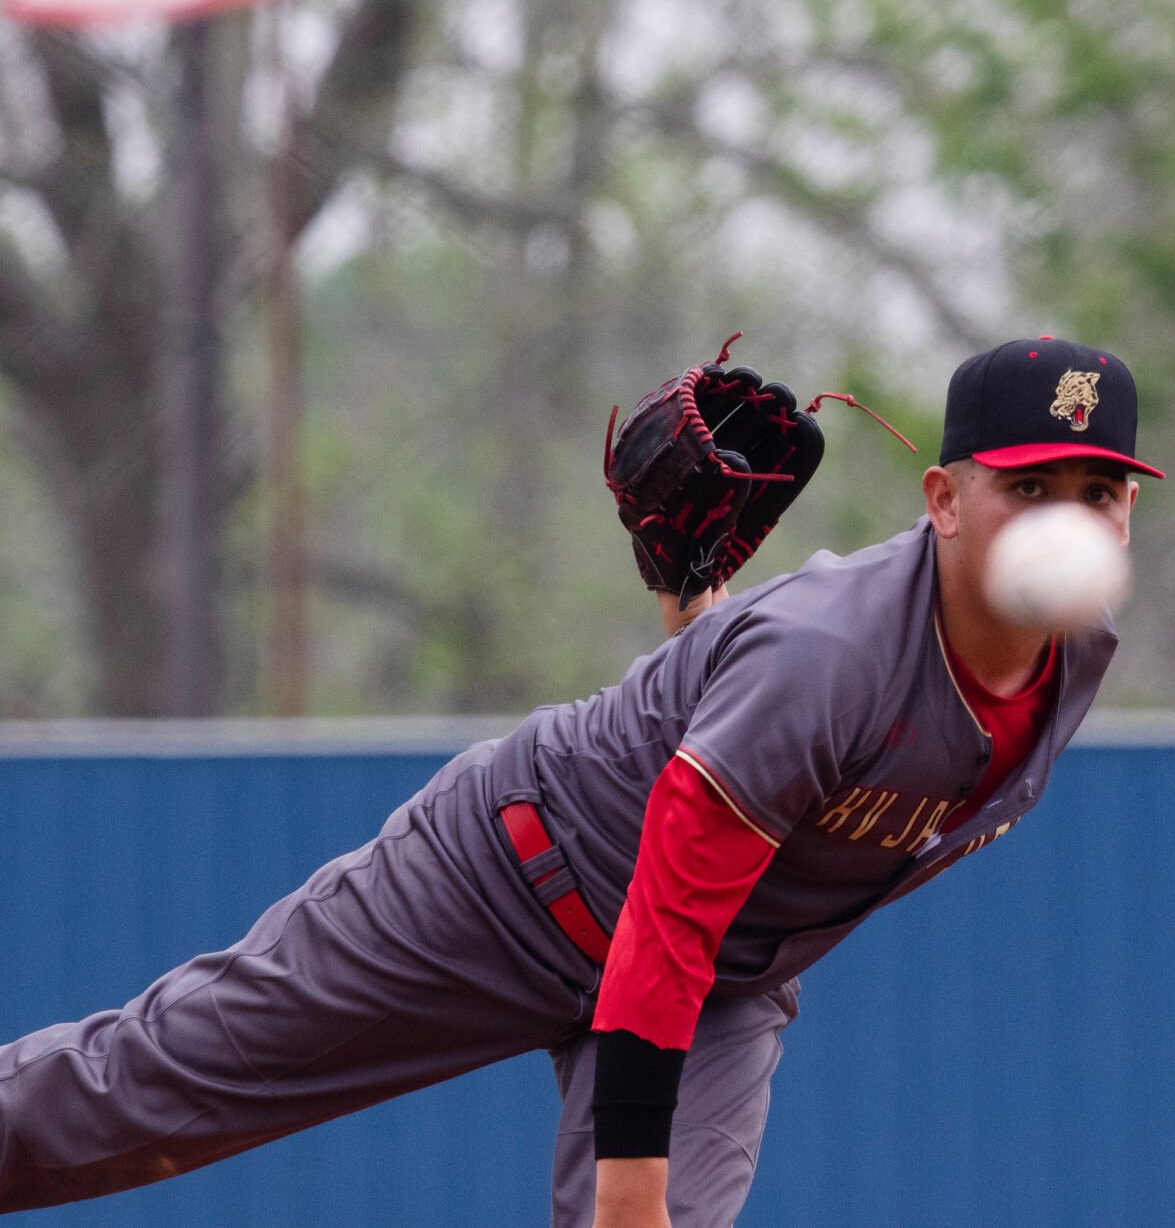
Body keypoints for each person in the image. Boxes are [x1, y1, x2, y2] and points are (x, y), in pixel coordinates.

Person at [0, 336, 1161, 1226]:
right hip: (498, 887)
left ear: (1131, 513)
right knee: (136, 1096)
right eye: (1028, 485)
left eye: (1096, 492)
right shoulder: (827, 652)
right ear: (943, 501)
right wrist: (627, 1176)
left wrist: (700, 630)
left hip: (714, 981)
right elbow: (677, 890)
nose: (1064, 520)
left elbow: (808, 761)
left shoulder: (1068, 657)